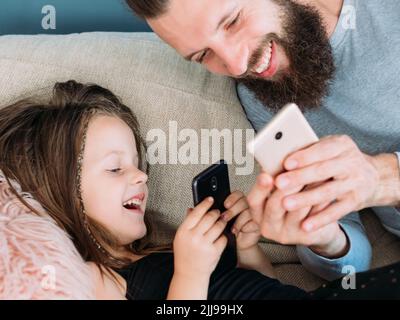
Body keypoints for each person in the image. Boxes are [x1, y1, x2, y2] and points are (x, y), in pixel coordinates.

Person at [125, 0, 400, 280]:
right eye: (203, 55)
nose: (237, 65)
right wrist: (324, 237)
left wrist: (384, 179)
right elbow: (353, 270)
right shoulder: (263, 92)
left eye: (232, 21)